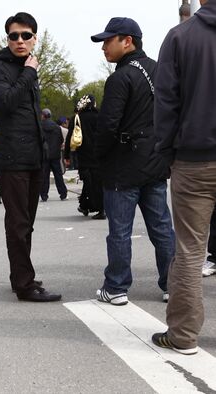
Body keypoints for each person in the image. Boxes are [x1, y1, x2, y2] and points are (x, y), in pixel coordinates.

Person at [91, 17, 174, 306]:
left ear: (128, 41)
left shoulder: (121, 77)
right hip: (155, 162)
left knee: (120, 232)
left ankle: (116, 287)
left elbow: (107, 126)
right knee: (162, 228)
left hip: (122, 167)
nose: (103, 47)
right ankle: (172, 285)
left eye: (108, 40)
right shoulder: (159, 70)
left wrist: (97, 159)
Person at [152, 0, 216, 355]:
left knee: (191, 250)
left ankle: (183, 335)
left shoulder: (180, 37)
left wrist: (167, 152)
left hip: (195, 159)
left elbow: (166, 102)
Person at [0, 12, 61, 302]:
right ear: (7, 38)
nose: (20, 40)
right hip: (12, 156)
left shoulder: (27, 66)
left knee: (26, 222)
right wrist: (29, 73)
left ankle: (22, 275)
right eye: (14, 36)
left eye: (26, 35)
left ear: (34, 38)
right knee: (17, 222)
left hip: (33, 156)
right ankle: (24, 285)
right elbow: (5, 104)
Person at [64, 95, 105, 219]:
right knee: (96, 182)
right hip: (99, 154)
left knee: (88, 181)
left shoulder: (77, 118)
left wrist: (67, 155)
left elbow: (69, 138)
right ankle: (91, 206)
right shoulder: (100, 117)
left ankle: (92, 206)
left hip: (84, 155)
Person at [39, 108, 67, 202]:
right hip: (55, 154)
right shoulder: (56, 127)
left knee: (44, 175)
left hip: (44, 154)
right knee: (58, 175)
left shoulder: (40, 127)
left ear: (43, 115)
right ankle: (63, 193)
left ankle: (44, 194)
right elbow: (61, 140)